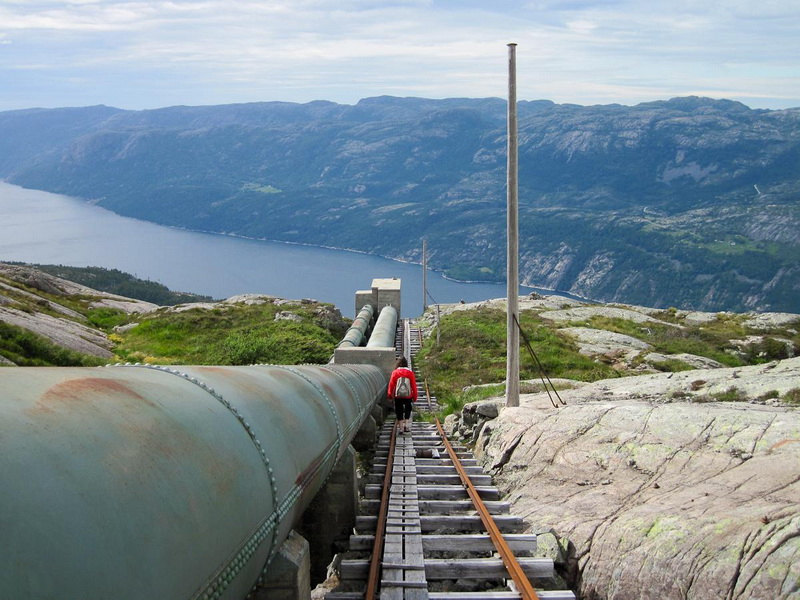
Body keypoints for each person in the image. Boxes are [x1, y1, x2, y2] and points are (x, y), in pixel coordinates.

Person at [387, 356, 417, 433]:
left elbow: (391, 385)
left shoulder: (395, 372)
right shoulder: (410, 373)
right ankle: (406, 425)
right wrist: (415, 396)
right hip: (408, 395)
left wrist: (390, 395)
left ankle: (401, 428)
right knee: (408, 409)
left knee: (399, 410)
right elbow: (413, 386)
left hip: (398, 395)